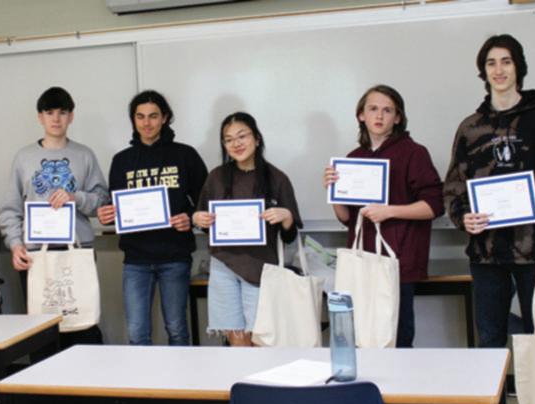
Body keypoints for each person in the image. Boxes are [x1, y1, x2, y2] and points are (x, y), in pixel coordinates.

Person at [444, 34, 535, 348]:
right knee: (489, 340)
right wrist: (464, 217)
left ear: (518, 67)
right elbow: (454, 187)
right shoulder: (470, 128)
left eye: (506, 61)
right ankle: (496, 385)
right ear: (483, 71)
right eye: (491, 63)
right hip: (486, 254)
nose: (499, 70)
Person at [323, 85, 444, 348]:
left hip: (398, 263)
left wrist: (389, 211)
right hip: (362, 261)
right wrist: (333, 191)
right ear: (361, 115)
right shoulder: (353, 158)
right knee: (361, 337)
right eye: (373, 109)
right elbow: (347, 218)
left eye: (387, 110)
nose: (379, 116)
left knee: (396, 338)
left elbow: (434, 206)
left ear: (397, 118)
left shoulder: (414, 153)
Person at [0, 86, 109, 347]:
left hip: (77, 249)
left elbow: (102, 201)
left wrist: (75, 197)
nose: (56, 119)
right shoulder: (24, 157)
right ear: (40, 117)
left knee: (81, 321)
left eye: (62, 112)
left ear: (71, 116)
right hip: (36, 253)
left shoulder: (84, 155)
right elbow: (10, 209)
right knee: (41, 330)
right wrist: (15, 245)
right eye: (49, 113)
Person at [97, 90, 208, 346]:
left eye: (153, 116)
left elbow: (204, 203)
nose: (146, 123)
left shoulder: (185, 155)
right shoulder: (121, 161)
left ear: (165, 118)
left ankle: (180, 374)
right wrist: (106, 214)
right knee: (137, 333)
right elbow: (116, 209)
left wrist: (190, 218)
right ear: (133, 120)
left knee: (177, 329)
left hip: (175, 255)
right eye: (140, 116)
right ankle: (143, 374)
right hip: (136, 258)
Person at [192, 112, 302, 347]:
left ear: (257, 139)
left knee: (260, 339)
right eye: (229, 139)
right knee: (237, 339)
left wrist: (286, 217)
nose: (236, 144)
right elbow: (204, 221)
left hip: (260, 268)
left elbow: (290, 235)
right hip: (223, 265)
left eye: (242, 136)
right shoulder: (217, 177)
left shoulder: (276, 178)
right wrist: (198, 218)